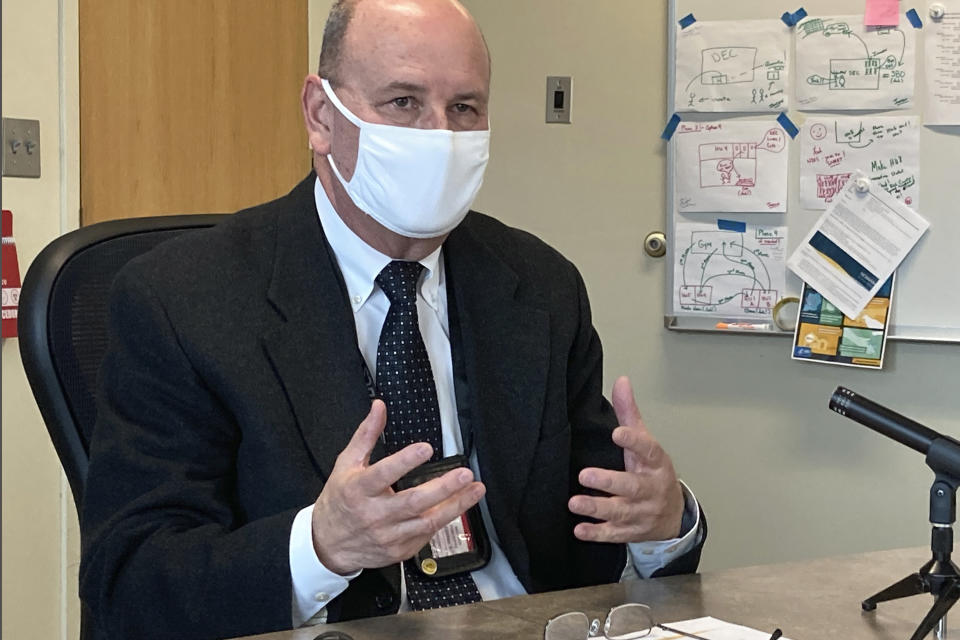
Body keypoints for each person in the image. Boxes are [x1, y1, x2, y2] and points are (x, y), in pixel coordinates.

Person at [79, 1, 706, 638]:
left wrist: (665, 524)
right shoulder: (181, 298)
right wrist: (319, 548)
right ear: (321, 116)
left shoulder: (539, 286)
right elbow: (128, 580)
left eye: (464, 108)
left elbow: (595, 523)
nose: (439, 135)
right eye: (403, 102)